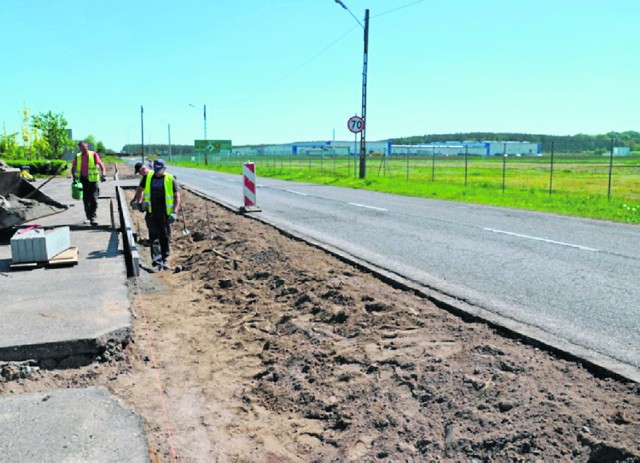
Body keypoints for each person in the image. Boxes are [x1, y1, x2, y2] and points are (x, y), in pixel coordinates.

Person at [134, 159, 181, 271]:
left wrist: (174, 212)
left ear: (164, 168)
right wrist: (139, 202)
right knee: (154, 237)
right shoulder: (148, 177)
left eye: (159, 170)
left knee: (164, 237)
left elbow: (177, 197)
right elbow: (140, 190)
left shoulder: (170, 179)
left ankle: (165, 259)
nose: (157, 172)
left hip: (165, 214)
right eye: (156, 170)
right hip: (152, 213)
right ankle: (156, 261)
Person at [71, 140, 106, 226]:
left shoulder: (93, 154)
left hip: (94, 180)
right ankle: (89, 217)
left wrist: (103, 174)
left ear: (87, 146)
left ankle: (93, 217)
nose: (83, 148)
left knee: (94, 199)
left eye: (84, 146)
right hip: (83, 180)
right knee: (86, 200)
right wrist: (74, 176)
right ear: (79, 148)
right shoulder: (78, 156)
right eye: (81, 147)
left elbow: (101, 165)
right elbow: (74, 167)